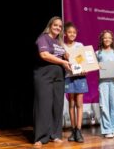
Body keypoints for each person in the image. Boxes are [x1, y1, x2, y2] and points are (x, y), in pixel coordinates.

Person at [33, 16, 71, 147]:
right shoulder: (43, 38)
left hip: (59, 76)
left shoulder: (59, 42)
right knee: (43, 105)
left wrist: (68, 56)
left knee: (57, 105)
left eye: (60, 26)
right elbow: (44, 55)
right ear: (50, 25)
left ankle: (55, 134)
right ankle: (41, 137)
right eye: (55, 25)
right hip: (44, 75)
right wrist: (62, 61)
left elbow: (66, 57)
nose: (58, 28)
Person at [63, 22, 88, 143]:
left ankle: (79, 130)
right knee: (71, 103)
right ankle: (73, 130)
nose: (72, 34)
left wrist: (84, 68)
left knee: (79, 103)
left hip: (80, 77)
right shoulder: (62, 46)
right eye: (69, 32)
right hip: (68, 76)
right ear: (65, 34)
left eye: (74, 32)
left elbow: (82, 61)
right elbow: (63, 63)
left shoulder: (79, 45)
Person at [96, 30, 114, 138]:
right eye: (105, 38)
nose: (107, 39)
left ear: (112, 40)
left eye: (109, 38)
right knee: (104, 106)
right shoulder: (98, 53)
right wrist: (98, 66)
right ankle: (107, 130)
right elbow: (94, 65)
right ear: (102, 39)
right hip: (103, 83)